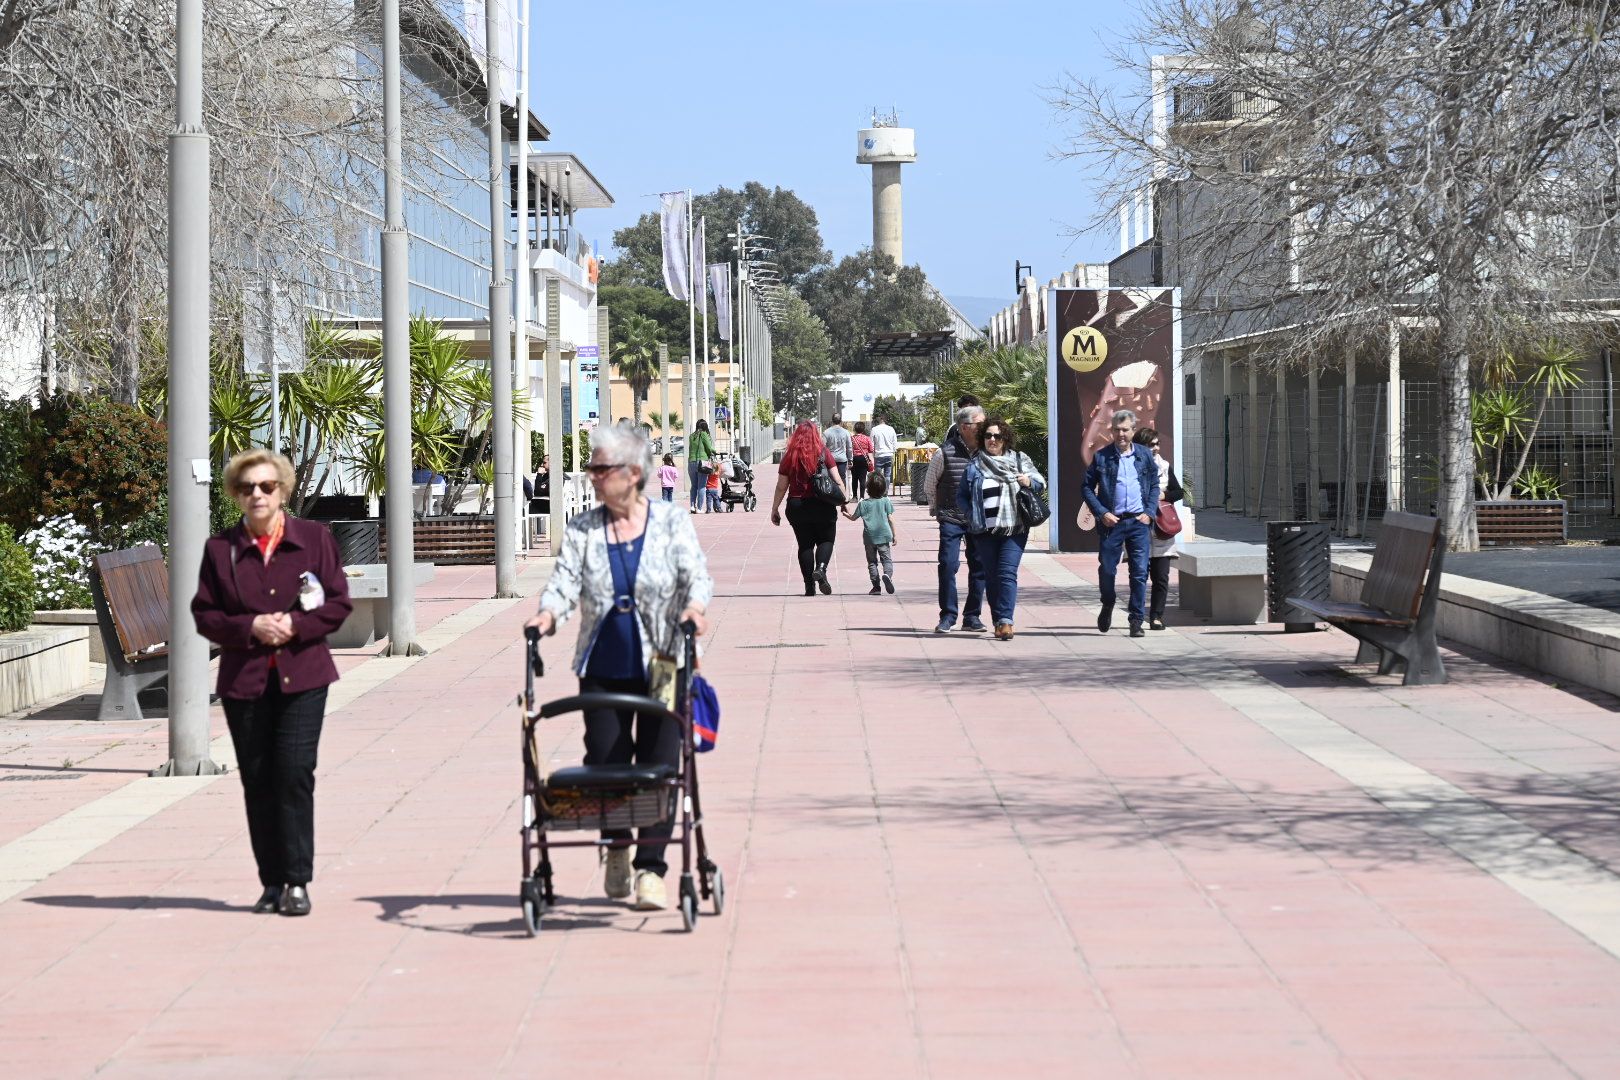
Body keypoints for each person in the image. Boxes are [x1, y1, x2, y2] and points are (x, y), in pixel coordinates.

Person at [523, 422, 713, 912]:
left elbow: (696, 574)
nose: (592, 476)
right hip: (602, 662)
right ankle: (617, 848)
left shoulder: (671, 521)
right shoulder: (584, 529)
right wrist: (547, 615)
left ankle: (651, 869)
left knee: (659, 764)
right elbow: (564, 582)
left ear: (632, 473)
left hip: (664, 661)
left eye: (600, 468)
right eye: (592, 468)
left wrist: (695, 608)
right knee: (606, 760)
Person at [191, 448, 353, 917]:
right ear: (236, 496)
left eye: (266, 486)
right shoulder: (220, 550)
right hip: (245, 682)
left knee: (294, 773)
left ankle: (297, 881)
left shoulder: (313, 539)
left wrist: (297, 627)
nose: (257, 495)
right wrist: (250, 628)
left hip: (303, 675)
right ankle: (270, 882)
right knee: (259, 780)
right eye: (247, 488)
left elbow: (338, 603)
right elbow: (206, 614)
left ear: (282, 490)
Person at [958, 417, 1045, 641]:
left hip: (1014, 529)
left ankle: (1006, 621)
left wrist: (1028, 481)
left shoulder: (1018, 459)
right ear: (982, 439)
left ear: (1005, 438)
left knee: (1007, 573)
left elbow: (1040, 481)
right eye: (988, 436)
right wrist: (971, 514)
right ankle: (998, 619)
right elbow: (962, 497)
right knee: (991, 576)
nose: (992, 440)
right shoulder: (975, 464)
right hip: (984, 530)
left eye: (997, 435)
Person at [1083, 409, 1161, 638]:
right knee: (1107, 569)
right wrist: (1101, 512)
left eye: (1125, 430)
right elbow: (1086, 487)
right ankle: (1107, 603)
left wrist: (1149, 512)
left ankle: (1136, 620)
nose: (1121, 434)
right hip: (1112, 523)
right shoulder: (1102, 456)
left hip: (1138, 522)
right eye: (1116, 430)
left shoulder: (1145, 455)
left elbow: (1154, 484)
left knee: (1139, 572)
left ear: (1133, 430)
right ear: (1111, 431)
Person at [922, 404, 988, 634]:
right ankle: (948, 616)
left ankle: (972, 616)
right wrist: (935, 509)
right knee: (948, 565)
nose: (985, 428)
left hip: (979, 518)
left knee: (979, 567)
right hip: (951, 516)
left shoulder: (989, 451)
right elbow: (930, 484)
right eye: (979, 424)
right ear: (964, 427)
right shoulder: (945, 452)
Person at [770, 420, 852, 596]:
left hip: (797, 505)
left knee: (805, 545)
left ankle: (809, 586)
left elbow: (781, 486)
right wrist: (844, 501)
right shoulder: (823, 453)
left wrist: (774, 509)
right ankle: (821, 569)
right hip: (823, 504)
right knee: (826, 540)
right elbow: (837, 479)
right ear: (816, 435)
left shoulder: (789, 456)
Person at [1134, 427, 1184, 631]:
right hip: (1139, 528)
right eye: (1150, 444)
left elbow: (1178, 491)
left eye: (1157, 443)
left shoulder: (1164, 466)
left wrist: (1163, 496)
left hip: (1162, 529)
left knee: (1161, 577)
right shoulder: (1130, 466)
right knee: (1139, 576)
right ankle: (1136, 616)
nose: (1155, 448)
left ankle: (1156, 616)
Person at [843, 473, 897, 595]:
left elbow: (853, 518)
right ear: (883, 489)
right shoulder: (886, 501)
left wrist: (846, 514)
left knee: (872, 562)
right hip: (884, 537)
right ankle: (887, 575)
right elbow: (891, 519)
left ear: (867, 489)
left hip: (869, 538)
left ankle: (876, 587)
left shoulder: (863, 503)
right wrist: (895, 535)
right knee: (887, 560)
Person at [686, 418, 717, 512]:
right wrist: (715, 451)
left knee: (694, 486)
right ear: (705, 426)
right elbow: (709, 448)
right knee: (701, 486)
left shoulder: (691, 436)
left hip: (691, 462)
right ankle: (699, 508)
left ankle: (692, 506)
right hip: (702, 463)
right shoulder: (704, 434)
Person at [823, 413, 854, 484]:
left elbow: (823, 448)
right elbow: (849, 447)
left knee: (831, 479)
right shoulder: (846, 432)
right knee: (842, 478)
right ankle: (843, 494)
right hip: (842, 460)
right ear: (840, 421)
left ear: (832, 421)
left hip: (830, 460)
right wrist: (850, 459)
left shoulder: (826, 432)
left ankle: (832, 494)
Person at [869, 412, 898, 488]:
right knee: (887, 475)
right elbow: (895, 443)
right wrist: (893, 451)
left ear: (880, 419)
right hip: (889, 454)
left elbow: (871, 444)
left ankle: (878, 490)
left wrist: (872, 455)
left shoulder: (874, 429)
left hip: (879, 455)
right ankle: (886, 492)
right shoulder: (891, 429)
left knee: (878, 476)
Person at [850, 421, 874, 500]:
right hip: (864, 458)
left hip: (854, 459)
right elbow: (871, 449)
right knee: (862, 478)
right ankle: (862, 497)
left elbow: (849, 449)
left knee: (854, 478)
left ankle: (854, 496)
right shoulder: (866, 438)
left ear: (855, 429)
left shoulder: (852, 438)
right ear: (863, 429)